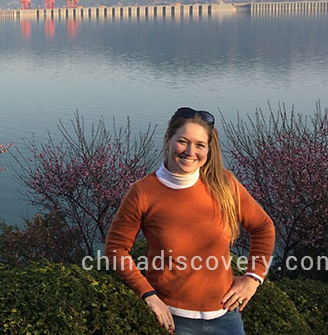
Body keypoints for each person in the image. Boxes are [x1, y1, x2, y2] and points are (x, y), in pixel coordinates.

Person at [104, 107, 275, 335]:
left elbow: (263, 228)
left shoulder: (225, 184)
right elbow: (116, 249)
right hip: (173, 322)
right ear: (168, 140)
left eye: (199, 145)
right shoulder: (143, 192)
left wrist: (253, 278)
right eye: (183, 141)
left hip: (227, 318)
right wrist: (148, 294)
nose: (190, 151)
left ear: (208, 149)